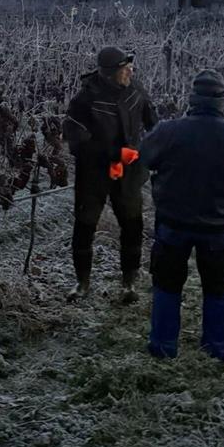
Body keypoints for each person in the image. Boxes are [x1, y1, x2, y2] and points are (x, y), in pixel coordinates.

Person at [140, 70, 224, 360]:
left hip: (173, 223)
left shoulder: (168, 131)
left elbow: (144, 158)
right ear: (222, 99)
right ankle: (216, 351)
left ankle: (163, 348)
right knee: (219, 289)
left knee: (167, 286)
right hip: (219, 227)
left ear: (191, 98)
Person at [63, 46, 159, 304]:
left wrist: (150, 153)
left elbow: (154, 125)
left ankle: (129, 282)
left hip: (129, 171)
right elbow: (75, 139)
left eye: (130, 68)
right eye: (124, 69)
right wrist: (113, 154)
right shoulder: (85, 98)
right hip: (93, 172)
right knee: (84, 225)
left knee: (132, 224)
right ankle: (82, 282)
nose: (130, 71)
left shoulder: (136, 91)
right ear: (108, 73)